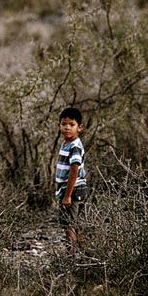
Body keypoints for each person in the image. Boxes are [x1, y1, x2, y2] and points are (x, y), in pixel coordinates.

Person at [54, 106, 87, 254]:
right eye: (64, 124)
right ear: (59, 125)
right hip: (69, 190)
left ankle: (71, 256)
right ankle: (83, 254)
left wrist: (67, 195)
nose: (67, 128)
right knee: (76, 223)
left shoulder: (74, 145)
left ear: (79, 127)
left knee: (70, 224)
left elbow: (74, 170)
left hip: (73, 190)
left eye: (71, 125)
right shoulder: (65, 143)